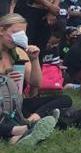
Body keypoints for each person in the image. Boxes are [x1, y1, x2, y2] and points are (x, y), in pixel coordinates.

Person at [0, 13, 58, 145]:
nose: (18, 37)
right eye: (15, 32)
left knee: (64, 99)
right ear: (2, 30)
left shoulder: (18, 53)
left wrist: (34, 59)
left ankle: (32, 121)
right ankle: (23, 130)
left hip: (14, 105)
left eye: (22, 33)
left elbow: (37, 83)